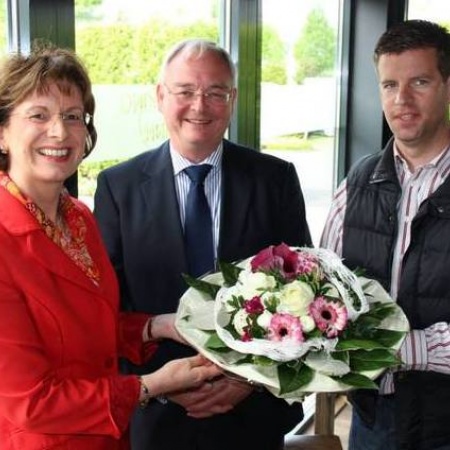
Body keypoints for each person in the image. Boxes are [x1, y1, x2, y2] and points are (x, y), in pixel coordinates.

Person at [0, 45, 222, 450]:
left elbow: (91, 327)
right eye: (39, 115)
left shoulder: (79, 218)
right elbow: (30, 404)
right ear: (2, 132)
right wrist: (150, 385)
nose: (60, 131)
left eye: (72, 116)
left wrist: (159, 326)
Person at [94, 38, 312, 450]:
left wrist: (247, 378)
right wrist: (160, 385)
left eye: (216, 92)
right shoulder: (117, 187)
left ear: (232, 100)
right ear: (160, 96)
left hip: (252, 412)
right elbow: (108, 307)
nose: (200, 105)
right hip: (155, 413)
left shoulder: (275, 179)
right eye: (186, 91)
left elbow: (300, 293)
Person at [320, 19, 450, 450]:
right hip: (374, 419)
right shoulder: (356, 183)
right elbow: (324, 288)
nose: (402, 100)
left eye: (420, 82)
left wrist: (396, 348)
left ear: (448, 85)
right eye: (390, 85)